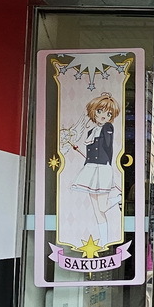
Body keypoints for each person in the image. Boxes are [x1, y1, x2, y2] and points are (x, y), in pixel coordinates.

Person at [60, 93, 122, 249]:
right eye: (100, 111)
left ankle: (118, 198)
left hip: (102, 168)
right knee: (97, 211)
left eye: (109, 114)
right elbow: (90, 153)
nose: (103, 116)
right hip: (90, 168)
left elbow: (108, 146)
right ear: (94, 111)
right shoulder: (91, 132)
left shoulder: (107, 128)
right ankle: (104, 242)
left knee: (102, 207)